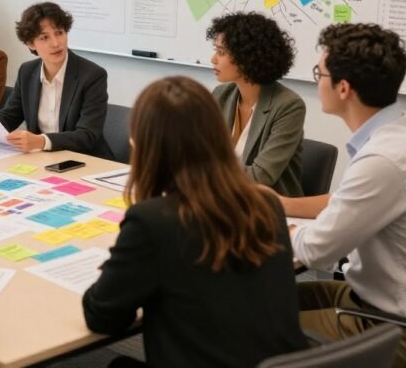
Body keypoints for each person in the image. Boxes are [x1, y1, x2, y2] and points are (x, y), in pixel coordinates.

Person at [82, 76, 307, 368]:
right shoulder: (267, 204)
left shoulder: (152, 222)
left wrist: (114, 274)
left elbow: (103, 317)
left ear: (144, 144)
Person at [275, 23, 406, 368]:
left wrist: (280, 228)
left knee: (245, 324)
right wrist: (284, 205)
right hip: (383, 300)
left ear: (343, 88)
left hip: (399, 330)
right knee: (264, 297)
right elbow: (347, 203)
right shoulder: (405, 131)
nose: (317, 80)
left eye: (320, 73)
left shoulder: (384, 159)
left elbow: (316, 250)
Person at [0, 2, 112, 158]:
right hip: (44, 159)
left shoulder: (92, 75)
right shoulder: (27, 71)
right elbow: (10, 115)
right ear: (30, 44)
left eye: (59, 33)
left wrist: (41, 141)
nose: (55, 43)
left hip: (86, 160)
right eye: (44, 37)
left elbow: (87, 135)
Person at [207, 12, 305, 196]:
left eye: (221, 52)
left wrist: (203, 174)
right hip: (223, 199)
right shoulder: (222, 95)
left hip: (269, 207)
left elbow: (261, 177)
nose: (213, 59)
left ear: (246, 57)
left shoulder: (288, 106)